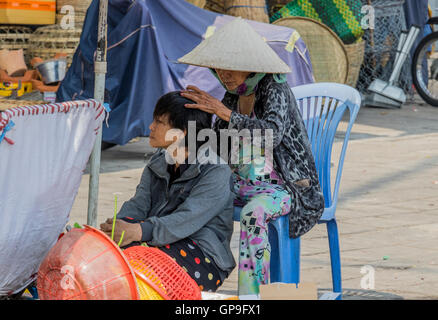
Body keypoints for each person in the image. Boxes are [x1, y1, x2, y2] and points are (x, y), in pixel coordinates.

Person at [179, 17, 325, 297]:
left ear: (253, 64)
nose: (224, 74)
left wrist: (223, 113)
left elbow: (271, 134)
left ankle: (251, 296)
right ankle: (194, 282)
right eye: (219, 66)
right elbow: (222, 146)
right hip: (242, 183)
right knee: (195, 198)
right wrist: (199, 127)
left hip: (285, 187)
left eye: (231, 66)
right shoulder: (233, 94)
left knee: (252, 214)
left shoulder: (274, 87)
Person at [100, 91, 236, 292]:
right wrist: (117, 229)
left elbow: (186, 218)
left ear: (182, 132)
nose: (151, 127)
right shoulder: (158, 162)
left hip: (202, 256)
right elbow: (139, 204)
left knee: (136, 267)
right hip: (156, 241)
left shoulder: (215, 170)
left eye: (159, 122)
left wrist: (138, 231)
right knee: (108, 254)